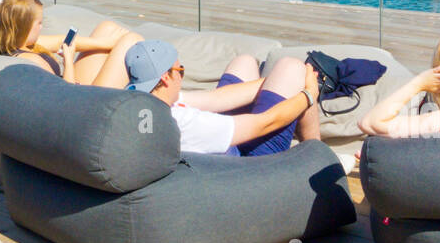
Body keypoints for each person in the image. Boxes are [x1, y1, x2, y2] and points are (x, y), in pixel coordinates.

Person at [118, 40, 321, 156]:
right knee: (295, 68)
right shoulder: (185, 124)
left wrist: (276, 81)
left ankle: (289, 77)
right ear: (165, 77)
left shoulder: (140, 103)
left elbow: (215, 99)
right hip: (249, 167)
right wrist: (309, 93)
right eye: (180, 70)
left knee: (245, 62)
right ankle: (316, 158)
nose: (181, 76)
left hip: (224, 147)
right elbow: (267, 122)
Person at [0, 0, 141, 85]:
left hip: (72, 83)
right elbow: (65, 99)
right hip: (81, 102)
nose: (42, 27)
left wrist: (109, 44)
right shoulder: (30, 62)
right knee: (131, 40)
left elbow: (61, 41)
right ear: (25, 26)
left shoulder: (8, 42)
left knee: (107, 27)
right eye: (39, 23)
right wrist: (68, 61)